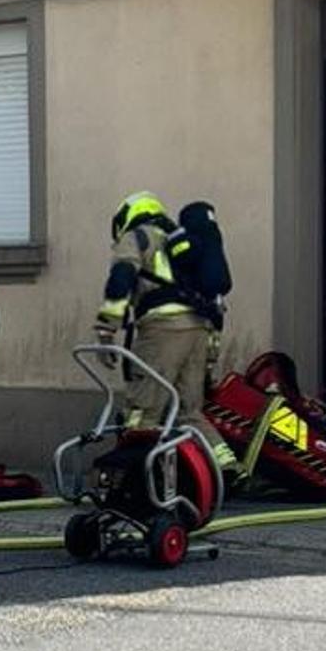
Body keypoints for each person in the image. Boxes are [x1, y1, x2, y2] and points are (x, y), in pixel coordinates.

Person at [94, 191, 240, 478]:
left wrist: (106, 327)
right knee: (189, 411)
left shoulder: (138, 236)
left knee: (143, 411)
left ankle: (132, 478)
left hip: (163, 331)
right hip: (199, 329)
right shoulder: (180, 240)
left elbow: (122, 276)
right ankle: (227, 467)